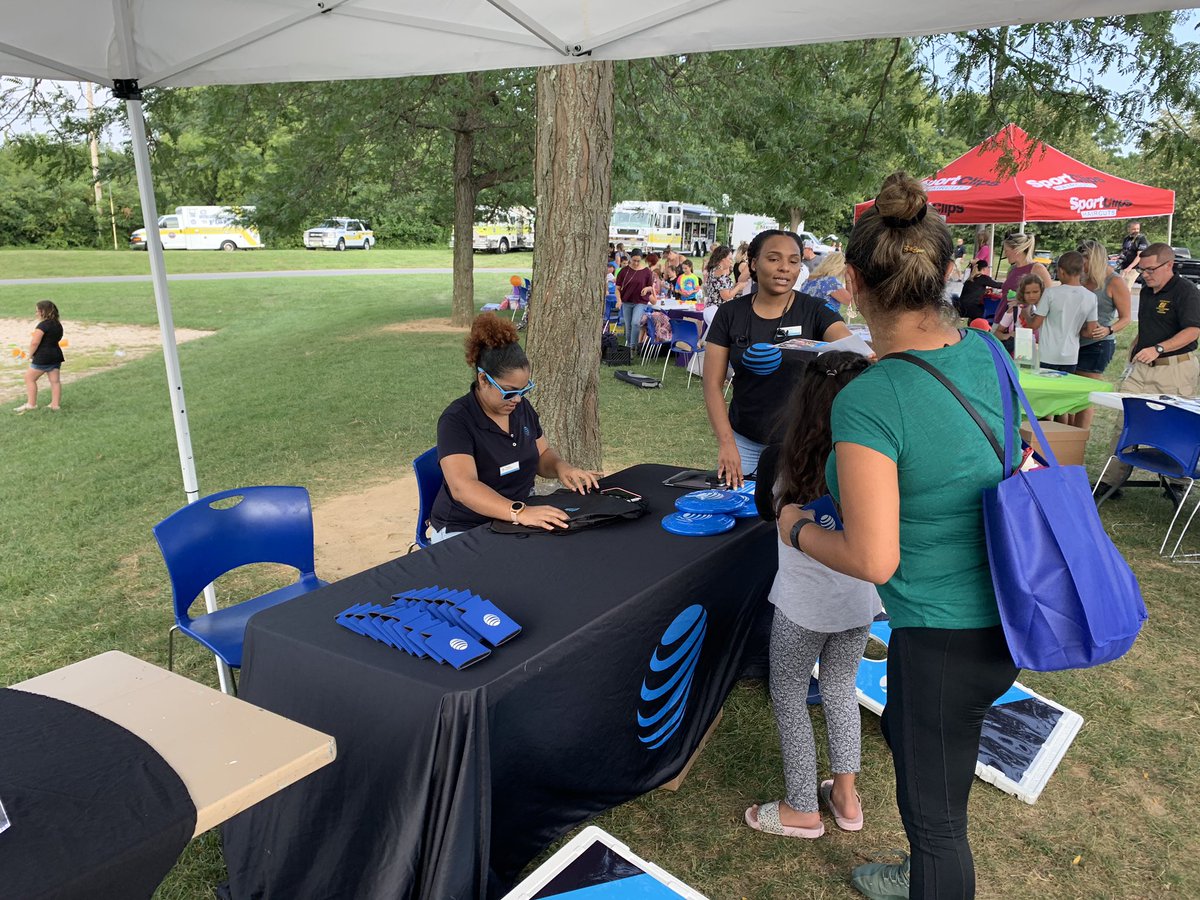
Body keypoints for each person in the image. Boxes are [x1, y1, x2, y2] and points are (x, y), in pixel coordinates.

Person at [778, 172, 1019, 900]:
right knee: (934, 771)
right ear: (947, 272)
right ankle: (916, 869)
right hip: (1007, 613)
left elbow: (872, 556)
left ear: (849, 281)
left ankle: (928, 873)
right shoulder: (989, 351)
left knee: (939, 823)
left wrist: (795, 530)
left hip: (946, 634)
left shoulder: (872, 396)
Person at [744, 351, 880, 841]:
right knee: (842, 686)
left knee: (789, 693)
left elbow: (765, 509)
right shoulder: (877, 461)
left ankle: (802, 806)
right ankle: (845, 796)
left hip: (804, 606)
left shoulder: (782, 456)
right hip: (858, 600)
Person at [428, 314, 599, 542]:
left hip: (519, 516)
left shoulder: (520, 409)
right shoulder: (456, 420)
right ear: (483, 380)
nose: (517, 399)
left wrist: (562, 469)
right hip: (467, 526)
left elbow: (542, 455)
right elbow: (463, 487)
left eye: (523, 390)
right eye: (509, 391)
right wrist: (519, 512)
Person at [702, 230, 853, 485]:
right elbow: (711, 384)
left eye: (794, 261)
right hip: (743, 441)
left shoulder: (814, 310)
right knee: (746, 517)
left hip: (801, 442)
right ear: (753, 263)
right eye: (774, 259)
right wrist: (727, 444)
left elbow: (849, 346)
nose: (785, 268)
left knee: (793, 518)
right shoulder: (730, 313)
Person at [1095, 243, 1200, 502]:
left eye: (1150, 270)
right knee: (1126, 419)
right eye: (1142, 270)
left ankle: (1177, 481)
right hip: (1142, 367)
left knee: (1177, 423)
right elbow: (1149, 325)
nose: (1145, 275)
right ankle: (1111, 480)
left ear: (1169, 265)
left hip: (1174, 368)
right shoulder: (1147, 292)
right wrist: (1137, 346)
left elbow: (1193, 331)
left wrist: (1159, 348)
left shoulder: (1186, 292)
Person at [1074, 239, 1132, 430]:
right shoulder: (1082, 279)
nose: (1083, 266)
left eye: (1086, 261)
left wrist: (1109, 329)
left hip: (1097, 344)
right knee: (1070, 393)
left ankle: (1077, 441)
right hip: (1073, 342)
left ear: (1096, 259)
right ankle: (1065, 436)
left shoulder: (1114, 281)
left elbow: (1126, 318)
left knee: (1084, 396)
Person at [1024, 250, 1097, 379]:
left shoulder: (1050, 293)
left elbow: (1034, 325)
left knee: (1046, 391)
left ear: (1061, 271)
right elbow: (1091, 332)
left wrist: (1026, 314)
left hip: (1048, 354)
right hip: (1071, 356)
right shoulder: (1091, 297)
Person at [15, 300, 65, 413]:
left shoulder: (42, 325)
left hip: (43, 357)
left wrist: (30, 354)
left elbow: (35, 342)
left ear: (43, 312)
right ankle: (55, 405)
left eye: (37, 311)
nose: (36, 313)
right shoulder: (58, 324)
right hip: (56, 355)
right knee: (55, 381)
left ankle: (31, 404)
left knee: (29, 378)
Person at [993, 232, 1051, 326]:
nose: (1005, 254)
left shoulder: (1037, 268)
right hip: (1001, 319)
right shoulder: (1012, 269)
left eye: (1006, 250)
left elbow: (1049, 297)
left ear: (1017, 250)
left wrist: (1022, 300)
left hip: (1021, 323)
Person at [614, 247, 655, 349]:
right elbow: (617, 288)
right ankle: (629, 345)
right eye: (634, 260)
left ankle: (633, 347)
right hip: (627, 301)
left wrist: (646, 289)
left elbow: (650, 286)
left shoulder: (646, 272)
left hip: (640, 301)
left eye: (638, 261)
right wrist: (619, 300)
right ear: (630, 259)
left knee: (635, 323)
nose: (636, 263)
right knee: (628, 326)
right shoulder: (624, 271)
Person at [992, 274, 1044, 344]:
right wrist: (1008, 335)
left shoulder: (1046, 310)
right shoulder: (1015, 310)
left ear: (1041, 291)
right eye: (1027, 293)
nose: (1031, 296)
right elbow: (996, 333)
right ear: (1022, 293)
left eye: (1035, 292)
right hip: (1018, 352)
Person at [1117, 221, 1150, 286]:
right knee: (1119, 286)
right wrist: (1118, 257)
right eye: (1134, 229)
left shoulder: (1141, 239)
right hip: (1124, 266)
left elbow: (1140, 255)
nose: (1136, 231)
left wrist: (1130, 267)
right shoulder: (1126, 239)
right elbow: (1124, 251)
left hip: (1134, 268)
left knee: (1126, 287)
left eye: (1137, 229)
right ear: (1128, 229)